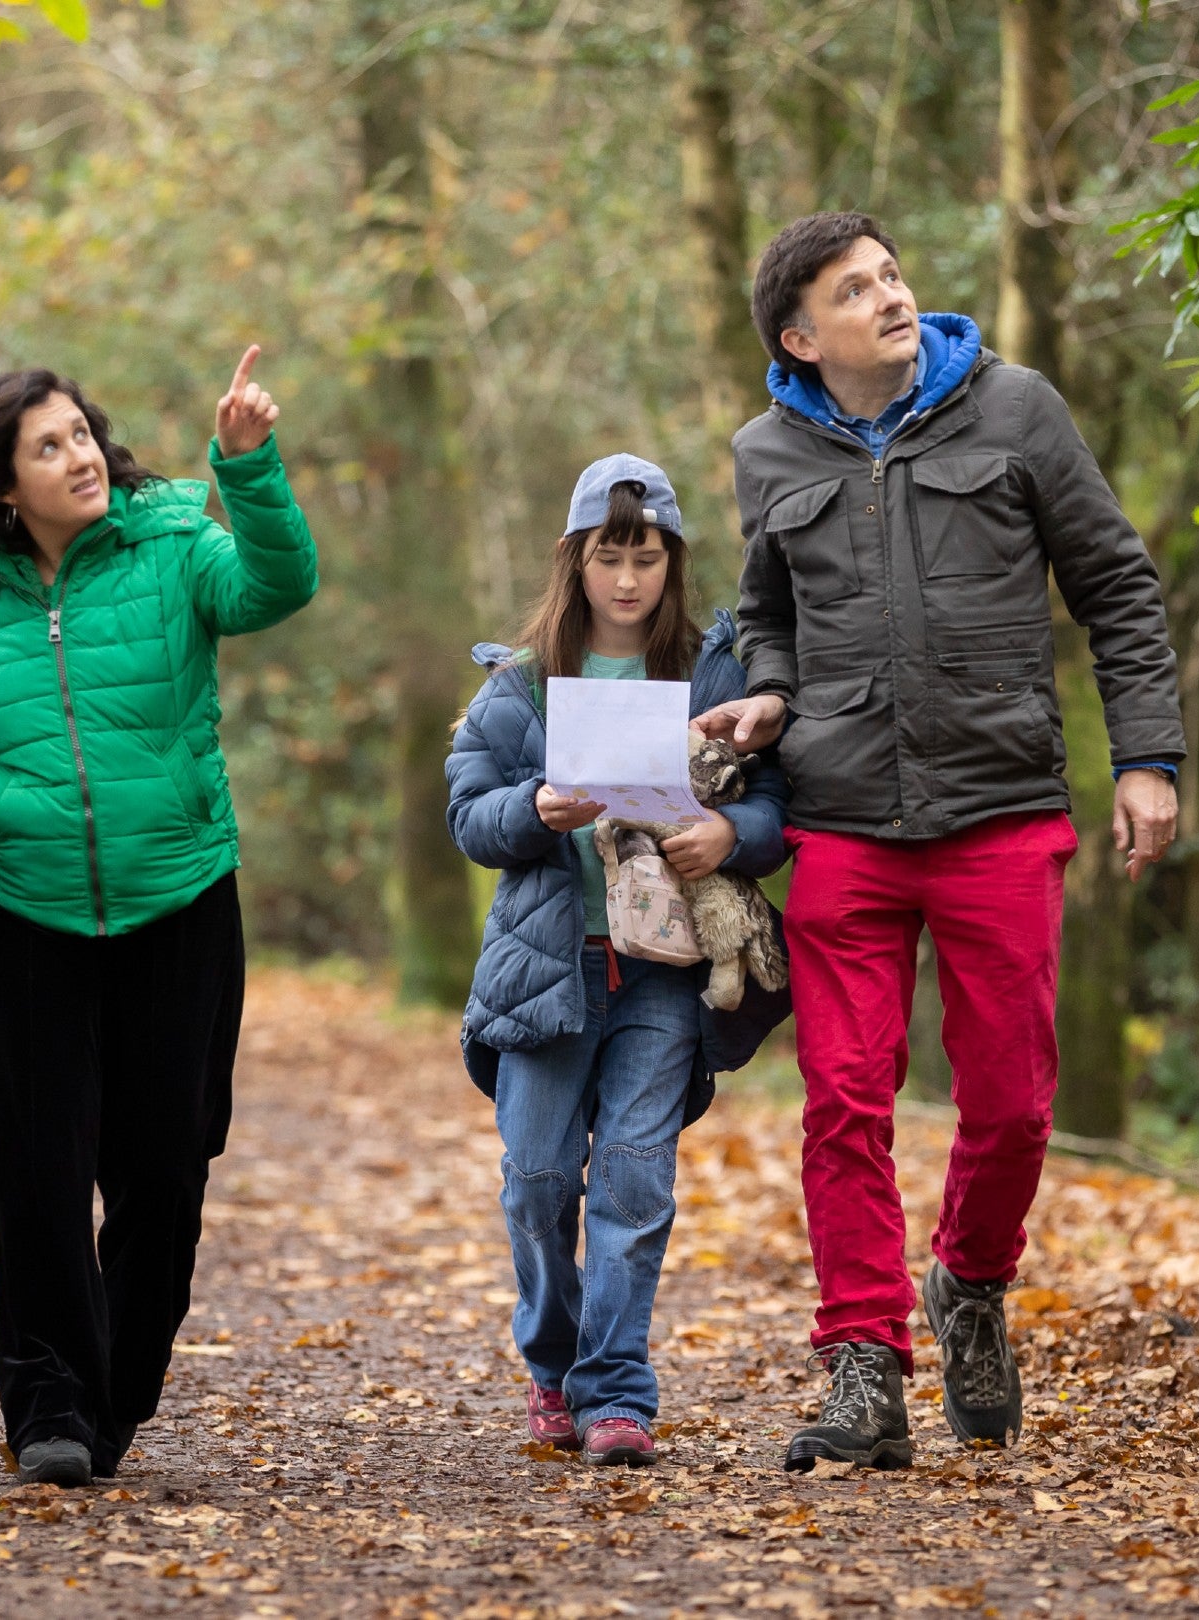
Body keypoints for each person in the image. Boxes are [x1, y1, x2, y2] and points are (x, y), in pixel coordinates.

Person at [694, 212, 1186, 1470]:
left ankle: (968, 1280)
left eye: (892, 274)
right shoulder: (765, 450)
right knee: (844, 1102)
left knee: (1013, 1104)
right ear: (803, 339)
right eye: (856, 290)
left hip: (1001, 809)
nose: (891, 296)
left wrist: (1146, 758)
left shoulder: (1017, 411)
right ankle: (863, 1363)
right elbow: (770, 612)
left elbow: (1117, 586)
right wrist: (770, 690)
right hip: (843, 816)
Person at [0, 348, 315, 1488]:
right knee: (38, 1171)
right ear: (4, 484)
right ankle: (46, 1400)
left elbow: (274, 588)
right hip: (31, 912)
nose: (79, 455)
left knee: (164, 1165)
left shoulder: (172, 535)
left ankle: (120, 1383)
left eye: (82, 433)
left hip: (179, 896)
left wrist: (248, 468)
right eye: (48, 446)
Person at [447, 454, 792, 1468]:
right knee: (540, 1181)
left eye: (647, 558)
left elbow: (775, 802)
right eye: (611, 556)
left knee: (636, 1183)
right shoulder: (518, 685)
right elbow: (469, 811)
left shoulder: (717, 671)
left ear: (672, 564)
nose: (629, 579)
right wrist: (532, 811)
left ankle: (617, 1394)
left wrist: (733, 839)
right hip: (549, 970)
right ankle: (552, 1365)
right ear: (577, 561)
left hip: (665, 972)